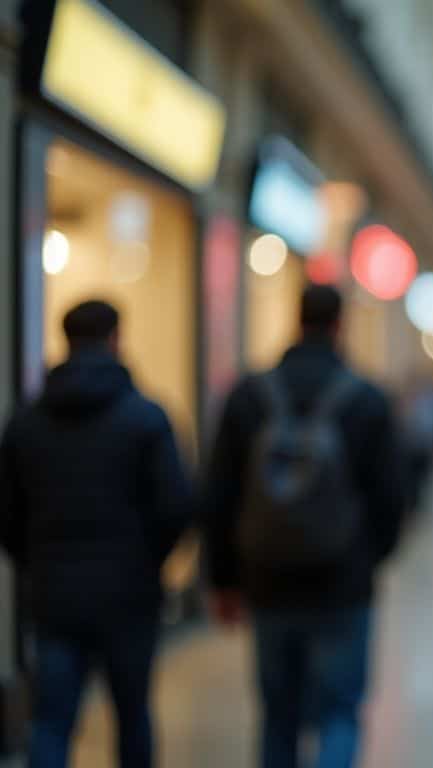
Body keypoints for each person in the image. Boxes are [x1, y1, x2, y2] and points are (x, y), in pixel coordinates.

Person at [201, 284, 406, 768]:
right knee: (339, 711)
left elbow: (218, 494)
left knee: (278, 713)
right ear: (340, 325)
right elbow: (393, 499)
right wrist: (366, 558)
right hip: (343, 584)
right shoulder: (367, 399)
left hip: (267, 582)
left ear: (296, 320)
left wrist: (223, 579)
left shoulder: (249, 395)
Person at [0, 300, 190, 768]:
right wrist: (148, 560)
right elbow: (177, 506)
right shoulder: (145, 417)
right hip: (129, 594)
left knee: (51, 721)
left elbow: (6, 515)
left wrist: (36, 561)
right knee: (133, 716)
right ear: (115, 340)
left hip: (53, 593)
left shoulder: (26, 424)